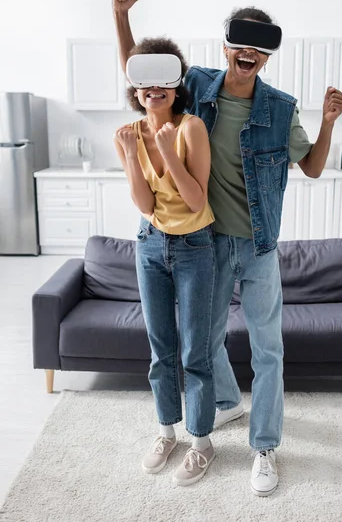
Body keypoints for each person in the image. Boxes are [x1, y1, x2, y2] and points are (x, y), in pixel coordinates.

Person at [112, 0, 342, 497]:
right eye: (241, 43)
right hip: (209, 243)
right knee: (204, 340)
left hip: (260, 247)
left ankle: (264, 447)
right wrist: (122, 13)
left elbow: (310, 168)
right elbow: (141, 70)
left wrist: (329, 122)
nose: (249, 53)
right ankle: (226, 404)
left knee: (269, 351)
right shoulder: (195, 86)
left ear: (266, 56)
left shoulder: (281, 109)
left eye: (260, 47)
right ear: (225, 47)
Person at [113, 37, 216, 487]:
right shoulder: (126, 135)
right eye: (145, 84)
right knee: (160, 349)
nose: (154, 90)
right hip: (150, 244)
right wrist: (136, 156)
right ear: (136, 90)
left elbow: (195, 201)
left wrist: (169, 152)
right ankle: (166, 432)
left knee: (195, 350)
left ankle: (201, 443)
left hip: (195, 245)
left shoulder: (191, 127)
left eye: (163, 84)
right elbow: (144, 203)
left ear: (176, 88)